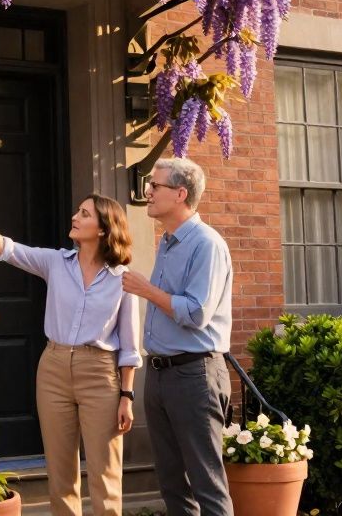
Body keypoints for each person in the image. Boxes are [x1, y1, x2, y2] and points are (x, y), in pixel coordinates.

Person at [0, 195, 140, 516]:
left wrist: (126, 395)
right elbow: (8, 249)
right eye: (77, 211)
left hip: (101, 374)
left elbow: (130, 345)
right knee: (60, 472)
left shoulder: (122, 280)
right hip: (53, 369)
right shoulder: (56, 262)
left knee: (105, 473)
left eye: (84, 214)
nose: (75, 216)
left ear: (102, 229)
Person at [120, 157, 232, 516]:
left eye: (156, 186)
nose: (147, 191)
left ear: (180, 193)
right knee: (171, 482)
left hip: (195, 374)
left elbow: (197, 313)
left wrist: (146, 289)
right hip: (160, 373)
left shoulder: (206, 244)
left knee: (206, 482)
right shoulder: (168, 242)